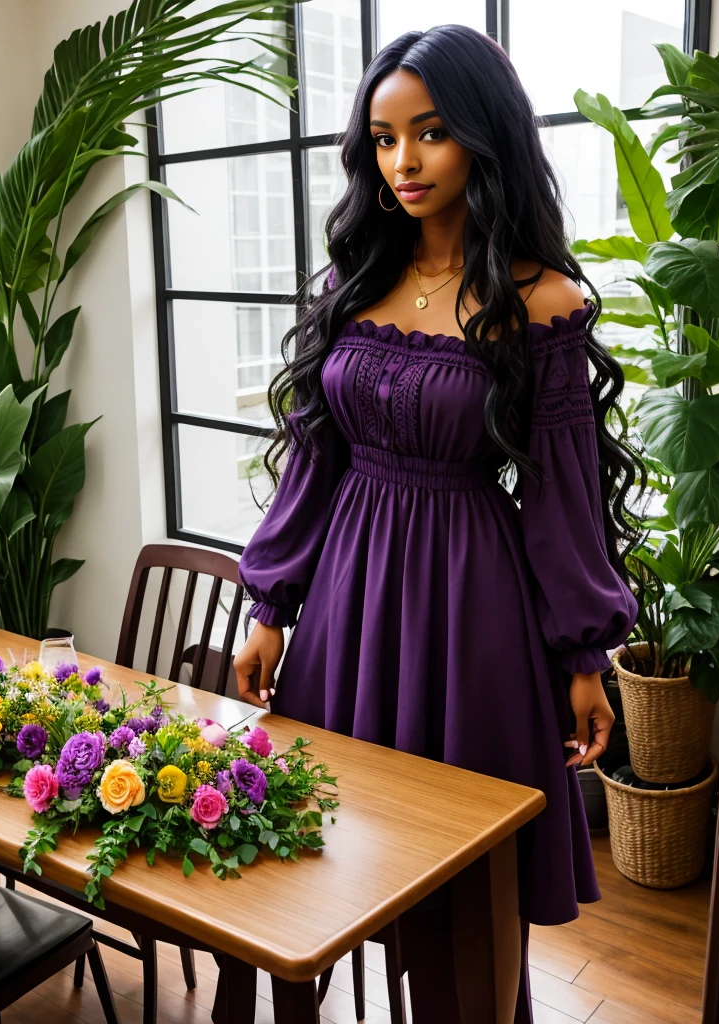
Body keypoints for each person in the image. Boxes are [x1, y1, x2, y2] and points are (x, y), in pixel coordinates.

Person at [233, 23, 643, 1024]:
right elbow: (314, 459)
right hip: (345, 603)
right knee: (318, 861)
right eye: (381, 138)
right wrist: (270, 603)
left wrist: (584, 657)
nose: (403, 161)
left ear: (481, 138)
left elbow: (559, 494)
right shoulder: (354, 283)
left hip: (471, 613)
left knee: (469, 887)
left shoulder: (538, 301)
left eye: (429, 133)